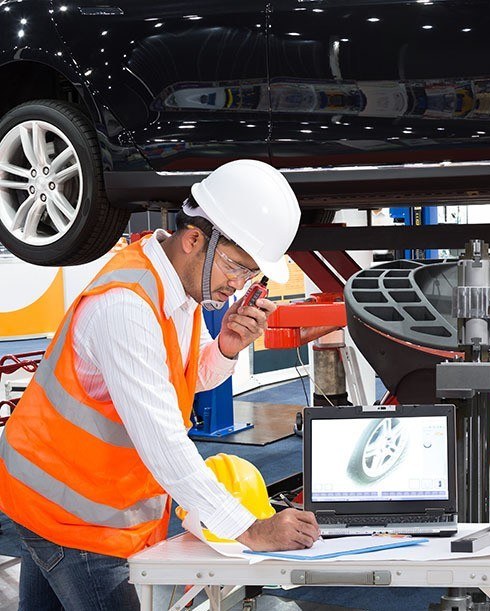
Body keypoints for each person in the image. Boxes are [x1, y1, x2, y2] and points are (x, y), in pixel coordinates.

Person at [0, 159, 320, 610]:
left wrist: (226, 347)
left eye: (251, 275)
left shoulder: (180, 291)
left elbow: (188, 379)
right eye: (236, 267)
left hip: (70, 501)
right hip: (75, 516)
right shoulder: (126, 308)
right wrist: (249, 527)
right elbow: (164, 443)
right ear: (194, 240)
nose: (239, 284)